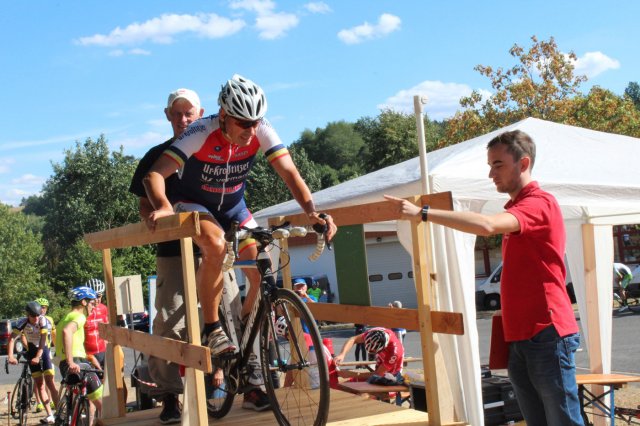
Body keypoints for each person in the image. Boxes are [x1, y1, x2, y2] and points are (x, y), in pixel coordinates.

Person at [142, 76, 336, 411]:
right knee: (216, 246)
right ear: (223, 115)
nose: (250, 130)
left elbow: (290, 173)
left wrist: (312, 212)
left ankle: (246, 330)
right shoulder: (200, 131)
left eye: (255, 122)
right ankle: (213, 328)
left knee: (264, 266)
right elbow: (154, 174)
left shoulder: (262, 129)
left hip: (234, 208)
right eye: (243, 123)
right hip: (195, 204)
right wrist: (162, 206)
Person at [385, 129, 583, 425]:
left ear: (524, 163)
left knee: (563, 421)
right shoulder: (519, 208)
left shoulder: (539, 203)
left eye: (498, 164)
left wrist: (423, 213)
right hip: (523, 335)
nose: (491, 174)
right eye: (490, 165)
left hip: (546, 332)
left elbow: (487, 225)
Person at [129, 87, 204, 423]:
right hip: (172, 252)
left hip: (211, 248)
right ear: (167, 116)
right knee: (168, 322)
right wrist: (153, 216)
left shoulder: (213, 152)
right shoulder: (156, 156)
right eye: (177, 113)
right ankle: (170, 396)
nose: (183, 119)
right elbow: (144, 204)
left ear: (200, 114)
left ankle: (245, 383)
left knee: (229, 314)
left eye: (189, 113)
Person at [56, 286, 104, 425]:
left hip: (64, 364)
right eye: (92, 303)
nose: (93, 307)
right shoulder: (79, 316)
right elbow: (67, 332)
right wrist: (71, 361)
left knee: (81, 397)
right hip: (77, 363)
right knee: (103, 403)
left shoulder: (65, 318)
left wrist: (68, 361)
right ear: (83, 302)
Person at [8, 301, 58, 424]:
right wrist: (10, 356)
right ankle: (50, 415)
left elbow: (43, 340)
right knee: (40, 384)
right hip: (31, 350)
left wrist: (38, 356)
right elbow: (12, 338)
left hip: (43, 350)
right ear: (27, 315)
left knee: (50, 382)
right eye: (33, 316)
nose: (36, 318)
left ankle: (59, 412)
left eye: (37, 315)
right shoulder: (22, 322)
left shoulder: (43, 320)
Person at [334, 327, 404, 382]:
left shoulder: (394, 352)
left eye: (374, 351)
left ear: (384, 347)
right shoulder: (373, 333)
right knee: (348, 386)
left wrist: (353, 374)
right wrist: (342, 354)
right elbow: (353, 339)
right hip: (380, 366)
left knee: (365, 392)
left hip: (391, 376)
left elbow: (378, 374)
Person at [34, 297, 57, 413]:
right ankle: (39, 402)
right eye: (41, 307)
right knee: (38, 380)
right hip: (35, 351)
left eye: (45, 308)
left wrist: (57, 348)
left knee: (50, 379)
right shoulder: (33, 319)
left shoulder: (50, 319)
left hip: (47, 351)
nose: (43, 310)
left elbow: (54, 334)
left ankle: (51, 400)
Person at [84, 278, 109, 370]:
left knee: (106, 377)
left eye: (99, 296)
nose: (97, 299)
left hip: (103, 351)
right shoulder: (84, 310)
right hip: (88, 353)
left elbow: (107, 330)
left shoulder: (104, 308)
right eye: (93, 296)